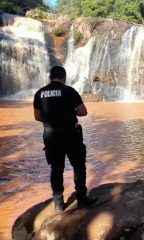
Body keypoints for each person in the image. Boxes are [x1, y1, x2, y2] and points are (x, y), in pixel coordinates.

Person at [33, 66, 97, 213]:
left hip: (51, 136)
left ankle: (58, 205)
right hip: (71, 135)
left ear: (50, 77)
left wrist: (51, 119)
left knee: (56, 170)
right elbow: (83, 112)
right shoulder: (69, 91)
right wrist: (68, 113)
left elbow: (37, 117)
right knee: (79, 167)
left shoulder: (39, 93)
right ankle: (82, 200)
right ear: (64, 77)